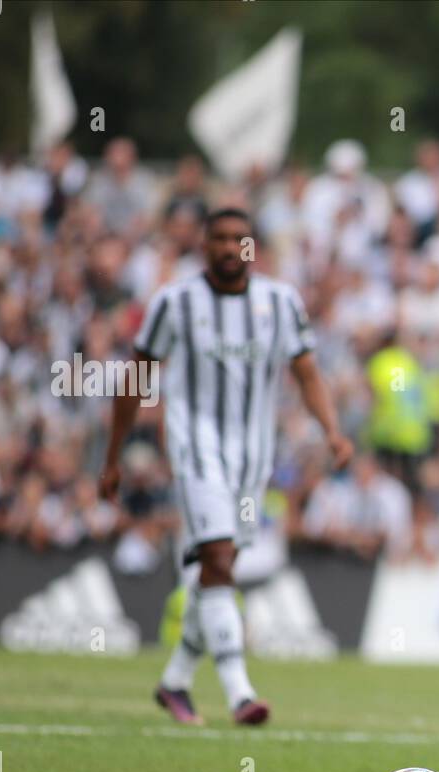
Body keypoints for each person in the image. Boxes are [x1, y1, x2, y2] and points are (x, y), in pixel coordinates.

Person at [100, 208, 354, 726]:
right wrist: (113, 456)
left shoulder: (280, 302)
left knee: (220, 567)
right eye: (218, 237)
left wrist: (331, 430)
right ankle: (240, 693)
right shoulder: (174, 301)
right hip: (195, 447)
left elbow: (306, 372)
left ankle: (174, 683)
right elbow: (136, 379)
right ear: (204, 244)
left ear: (251, 247)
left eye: (239, 238)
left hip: (253, 458)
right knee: (216, 555)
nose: (228, 246)